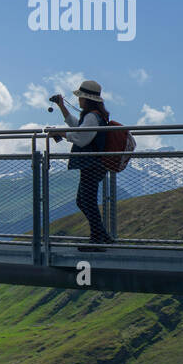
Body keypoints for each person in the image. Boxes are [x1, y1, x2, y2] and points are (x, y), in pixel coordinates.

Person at [50, 81, 112, 245]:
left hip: (91, 164)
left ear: (87, 99)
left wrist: (60, 133)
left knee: (87, 202)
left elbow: (81, 138)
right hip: (93, 164)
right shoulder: (95, 116)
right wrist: (62, 107)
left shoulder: (91, 117)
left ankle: (97, 239)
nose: (79, 101)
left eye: (81, 98)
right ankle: (102, 236)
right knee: (84, 201)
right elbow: (78, 127)